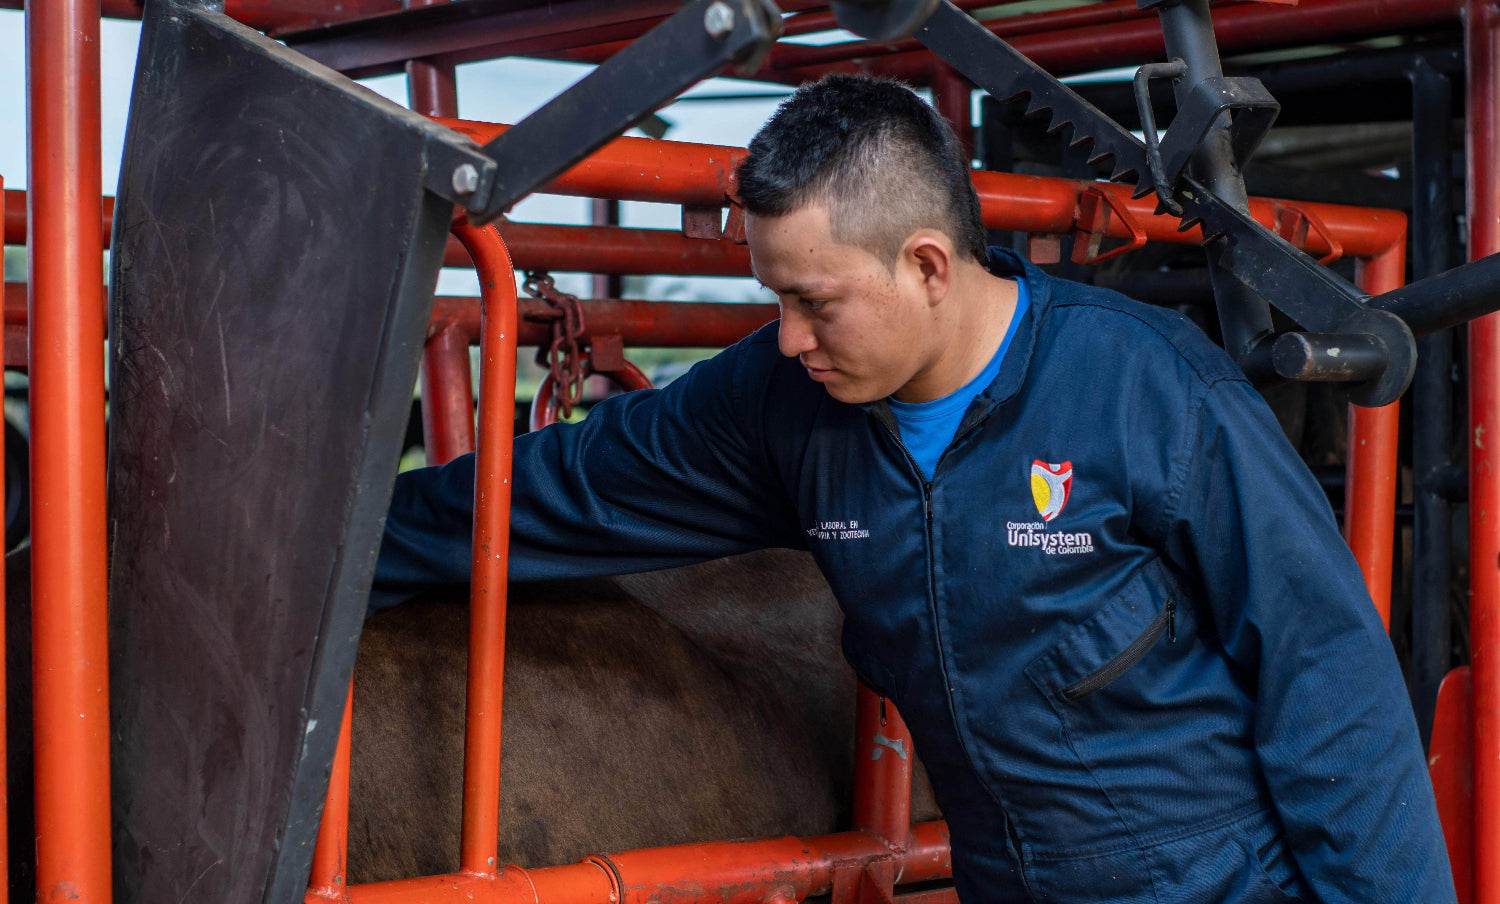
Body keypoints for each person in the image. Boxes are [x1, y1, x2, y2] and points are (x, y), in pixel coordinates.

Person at [371, 74, 1454, 902]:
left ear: (929, 266)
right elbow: (561, 492)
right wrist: (327, 544)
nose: (787, 336)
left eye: (814, 301)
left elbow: (1332, 691)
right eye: (771, 298)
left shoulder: (1150, 394)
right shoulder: (783, 404)